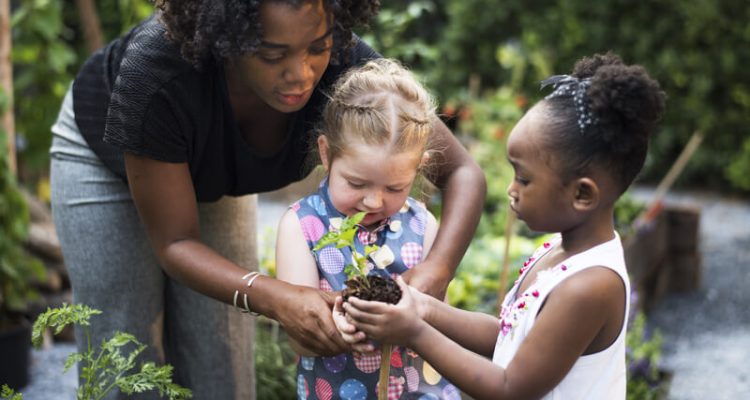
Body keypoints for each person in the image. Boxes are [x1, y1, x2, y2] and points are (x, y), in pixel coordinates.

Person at [48, 1, 486, 399]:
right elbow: (176, 245)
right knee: (124, 351)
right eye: (273, 55)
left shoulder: (346, 67)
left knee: (221, 364)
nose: (301, 74)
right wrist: (275, 296)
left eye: (317, 47)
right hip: (105, 162)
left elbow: (463, 172)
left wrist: (435, 272)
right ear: (226, 42)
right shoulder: (157, 73)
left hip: (214, 175)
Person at [340, 53, 666, 399]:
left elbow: (510, 388)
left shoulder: (589, 286)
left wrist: (415, 332)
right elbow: (506, 336)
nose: (511, 189)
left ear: (582, 194)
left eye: (524, 179)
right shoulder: (559, 250)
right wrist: (425, 308)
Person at [275, 58, 462, 399]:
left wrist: (415, 319)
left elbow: (440, 320)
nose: (374, 202)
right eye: (357, 183)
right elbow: (300, 336)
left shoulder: (422, 225)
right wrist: (339, 329)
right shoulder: (302, 227)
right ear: (326, 154)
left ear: (418, 169)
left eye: (395, 188)